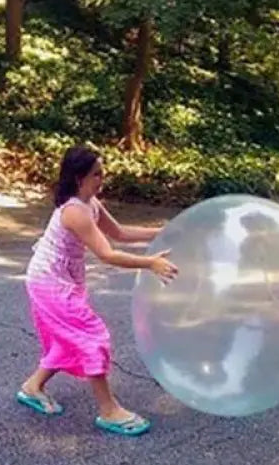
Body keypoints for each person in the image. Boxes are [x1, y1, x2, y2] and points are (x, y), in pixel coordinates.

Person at [16, 145, 178, 436]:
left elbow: (120, 233)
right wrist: (150, 263)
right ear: (79, 178)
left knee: (69, 338)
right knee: (92, 337)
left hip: (64, 280)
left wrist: (166, 231)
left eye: (102, 173)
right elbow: (107, 253)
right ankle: (109, 410)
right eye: (96, 174)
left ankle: (32, 387)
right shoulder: (74, 211)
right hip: (48, 283)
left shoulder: (91, 203)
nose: (102, 179)